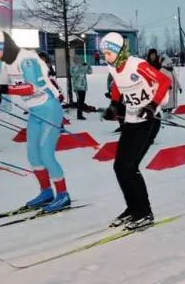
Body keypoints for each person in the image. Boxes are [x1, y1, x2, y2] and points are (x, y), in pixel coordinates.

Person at [0, 29, 71, 212]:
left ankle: (63, 195)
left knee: (46, 155)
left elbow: (31, 88)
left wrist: (2, 89)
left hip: (49, 108)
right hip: (35, 112)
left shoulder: (27, 59)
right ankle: (46, 192)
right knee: (33, 155)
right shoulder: (8, 62)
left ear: (5, 46)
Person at [101, 32, 171, 229]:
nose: (105, 57)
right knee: (119, 167)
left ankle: (144, 212)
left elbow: (164, 82)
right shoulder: (113, 67)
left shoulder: (137, 64)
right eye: (104, 53)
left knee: (130, 167)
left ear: (119, 51)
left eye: (108, 53)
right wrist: (114, 105)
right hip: (131, 120)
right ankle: (132, 209)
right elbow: (117, 85)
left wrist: (152, 105)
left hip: (149, 120)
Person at [70, 56, 89, 120]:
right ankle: (79, 115)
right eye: (77, 59)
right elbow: (73, 74)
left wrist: (88, 65)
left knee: (82, 101)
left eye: (79, 59)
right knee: (80, 101)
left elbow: (90, 72)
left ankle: (80, 114)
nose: (79, 60)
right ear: (75, 60)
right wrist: (81, 68)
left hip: (83, 87)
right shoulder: (73, 67)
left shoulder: (82, 67)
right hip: (77, 87)